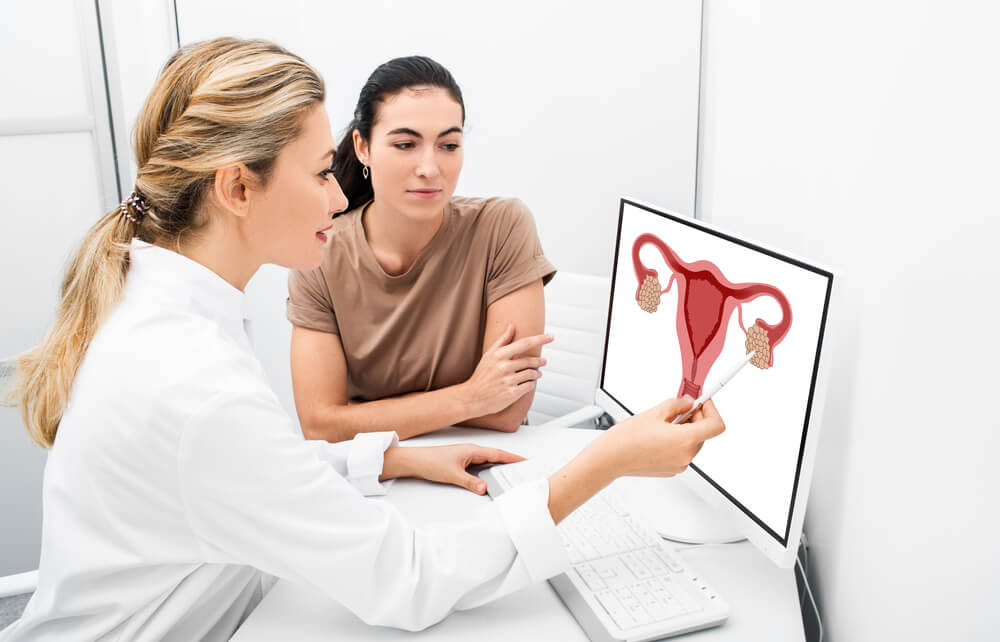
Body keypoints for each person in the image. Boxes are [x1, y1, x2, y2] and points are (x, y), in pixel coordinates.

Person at [1, 38, 724, 640]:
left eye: (449, 142)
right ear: (237, 189)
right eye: (321, 173)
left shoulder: (164, 316)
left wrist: (383, 457)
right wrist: (609, 461)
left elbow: (249, 478)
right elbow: (409, 582)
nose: (340, 195)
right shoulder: (194, 385)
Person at [287, 56, 555, 442]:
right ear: (362, 147)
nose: (430, 167)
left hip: (486, 464)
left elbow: (507, 411)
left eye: (448, 145)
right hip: (381, 471)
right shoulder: (322, 250)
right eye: (405, 144)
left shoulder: (503, 227)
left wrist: (364, 418)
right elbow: (319, 424)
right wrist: (472, 396)